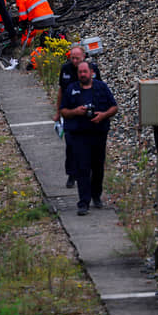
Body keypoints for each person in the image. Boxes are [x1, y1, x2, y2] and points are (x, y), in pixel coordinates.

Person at [60, 61, 118, 216]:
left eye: (85, 72)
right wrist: (76, 112)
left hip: (98, 134)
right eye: (80, 72)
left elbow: (114, 107)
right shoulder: (72, 89)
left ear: (91, 72)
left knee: (98, 167)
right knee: (82, 168)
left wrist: (103, 115)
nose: (83, 75)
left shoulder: (101, 87)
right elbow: (63, 111)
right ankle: (83, 202)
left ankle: (96, 195)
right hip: (79, 135)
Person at [53, 46, 102, 190]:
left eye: (77, 58)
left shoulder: (93, 70)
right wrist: (58, 112)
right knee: (71, 145)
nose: (74, 61)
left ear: (83, 57)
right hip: (71, 112)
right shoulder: (66, 69)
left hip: (88, 112)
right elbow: (61, 91)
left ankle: (90, 175)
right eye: (72, 58)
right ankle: (71, 174)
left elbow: (99, 89)